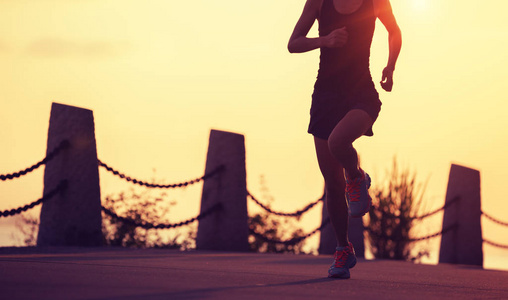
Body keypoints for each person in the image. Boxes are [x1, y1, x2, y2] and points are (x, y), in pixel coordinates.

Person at [288, 0, 401, 279]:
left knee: (337, 142)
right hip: (325, 96)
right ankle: (343, 249)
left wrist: (390, 66)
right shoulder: (318, 3)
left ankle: (356, 175)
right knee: (332, 184)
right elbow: (293, 43)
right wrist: (325, 39)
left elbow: (394, 31)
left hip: (360, 92)